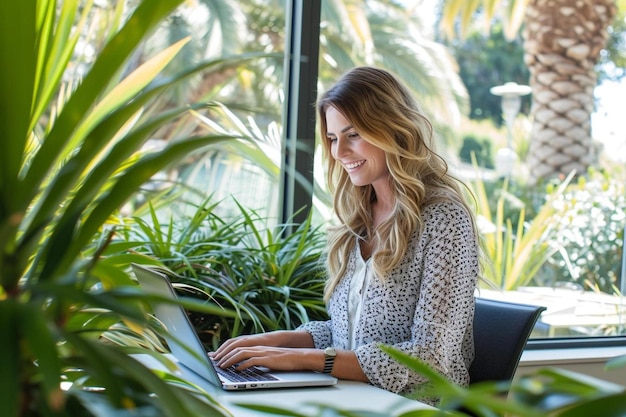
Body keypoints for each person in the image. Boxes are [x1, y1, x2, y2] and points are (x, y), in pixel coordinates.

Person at [211, 66, 480, 405]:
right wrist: (271, 343)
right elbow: (351, 336)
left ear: (392, 128)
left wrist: (307, 361)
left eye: (353, 135)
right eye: (334, 139)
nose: (339, 153)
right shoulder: (358, 220)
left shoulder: (445, 220)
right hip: (355, 399)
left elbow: (431, 357)